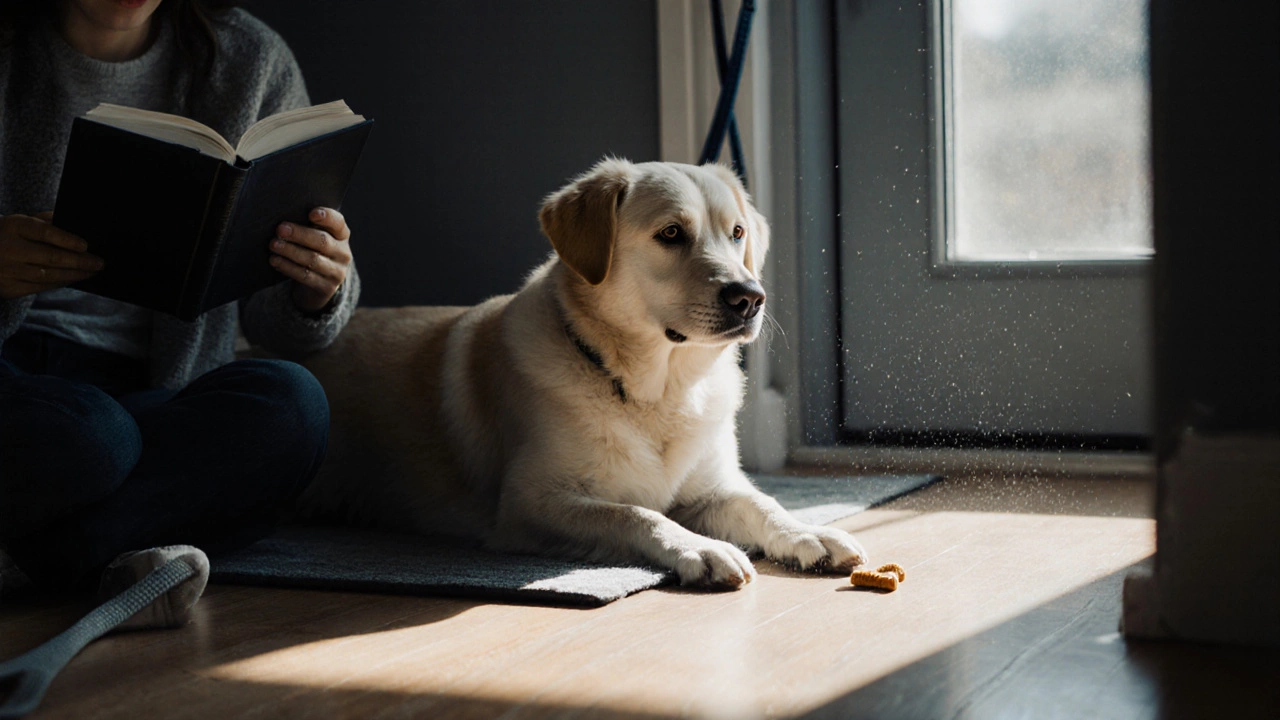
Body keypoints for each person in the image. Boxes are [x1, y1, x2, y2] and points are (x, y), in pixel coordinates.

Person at [0, 0, 359, 591]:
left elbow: (281, 327)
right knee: (88, 440)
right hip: (23, 392)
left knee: (293, 406)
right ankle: (110, 545)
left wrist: (317, 286)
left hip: (147, 396)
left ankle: (41, 556)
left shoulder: (249, 59)